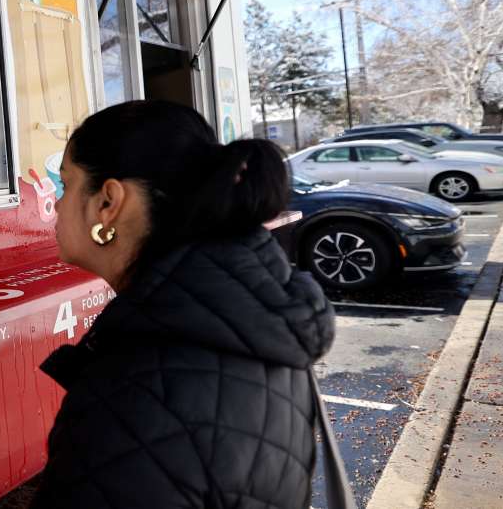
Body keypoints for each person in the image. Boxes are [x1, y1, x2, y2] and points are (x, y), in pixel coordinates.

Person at [32, 101, 336, 508]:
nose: (56, 202)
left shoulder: (134, 400)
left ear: (108, 202)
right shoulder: (251, 321)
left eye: (66, 184)